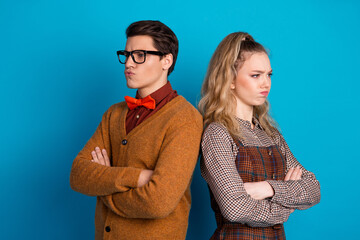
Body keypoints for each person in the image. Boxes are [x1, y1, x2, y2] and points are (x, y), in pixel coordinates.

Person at [70, 20, 203, 240]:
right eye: (127, 54)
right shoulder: (114, 114)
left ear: (166, 61)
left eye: (140, 55)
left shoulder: (185, 118)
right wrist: (139, 177)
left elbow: (159, 202)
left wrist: (105, 189)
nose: (128, 64)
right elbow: (78, 174)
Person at [198, 32, 321, 239]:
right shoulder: (218, 133)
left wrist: (268, 188)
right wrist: (286, 207)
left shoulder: (271, 135)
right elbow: (235, 208)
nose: (266, 83)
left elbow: (312, 188)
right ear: (229, 80)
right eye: (255, 75)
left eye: (269, 74)